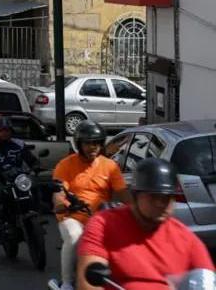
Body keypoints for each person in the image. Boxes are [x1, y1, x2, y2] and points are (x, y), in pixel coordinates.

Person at [76, 158, 215, 290]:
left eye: (167, 198)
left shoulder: (187, 239)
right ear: (135, 196)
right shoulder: (103, 225)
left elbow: (207, 279)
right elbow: (89, 283)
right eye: (153, 196)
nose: (160, 203)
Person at [52, 121, 131, 290]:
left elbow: (123, 192)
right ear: (78, 144)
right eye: (88, 143)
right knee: (74, 236)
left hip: (101, 217)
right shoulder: (65, 165)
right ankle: (66, 283)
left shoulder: (110, 166)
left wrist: (137, 209)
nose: (92, 147)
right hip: (72, 216)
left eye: (96, 143)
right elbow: (58, 191)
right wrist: (60, 203)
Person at [0, 116, 38, 243]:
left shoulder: (19, 144)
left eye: (7, 130)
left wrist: (35, 167)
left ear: (11, 131)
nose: (4, 133)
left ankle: (35, 212)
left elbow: (31, 159)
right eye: (1, 130)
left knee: (35, 184)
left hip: (18, 178)